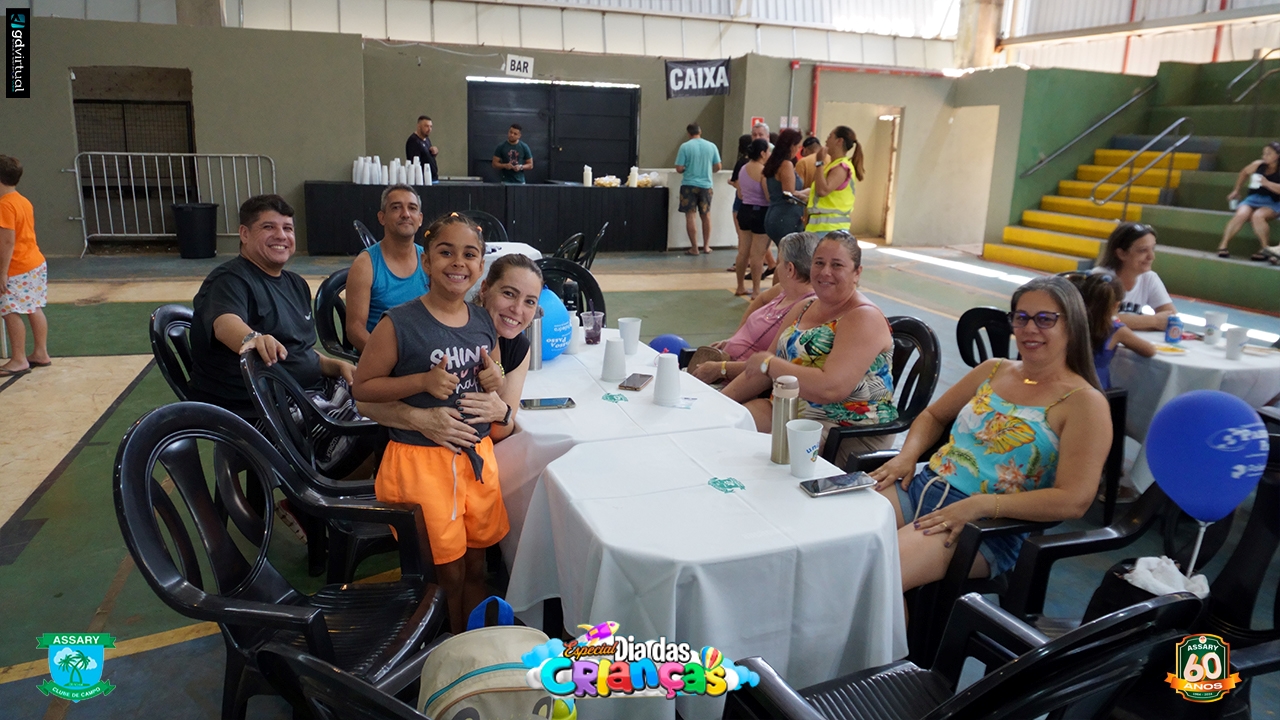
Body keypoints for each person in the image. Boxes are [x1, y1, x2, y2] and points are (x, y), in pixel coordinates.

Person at [869, 276, 1111, 592]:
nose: (1030, 328)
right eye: (1021, 318)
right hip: (921, 486)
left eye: (1045, 319)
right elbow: (933, 416)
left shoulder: (1084, 403)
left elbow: (1073, 500)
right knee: (835, 535)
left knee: (877, 573)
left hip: (984, 526)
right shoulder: (994, 370)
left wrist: (984, 505)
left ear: (1072, 324)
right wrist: (907, 456)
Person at [352, 212, 509, 634]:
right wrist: (421, 382)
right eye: (445, 252)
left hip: (476, 460)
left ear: (480, 267)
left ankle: (473, 645)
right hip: (422, 463)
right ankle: (448, 646)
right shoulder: (400, 323)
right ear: (426, 261)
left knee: (476, 565)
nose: (458, 262)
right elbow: (363, 388)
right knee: (447, 573)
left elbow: (491, 375)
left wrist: (496, 380)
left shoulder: (482, 321)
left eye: (469, 255)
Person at [721, 231, 897, 464]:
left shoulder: (863, 317)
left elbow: (830, 388)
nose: (825, 272)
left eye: (837, 265)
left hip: (843, 427)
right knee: (722, 429)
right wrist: (718, 403)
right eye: (819, 263)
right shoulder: (804, 306)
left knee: (750, 461)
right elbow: (761, 371)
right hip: (788, 409)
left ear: (857, 273)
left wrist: (771, 365)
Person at [188, 195, 355, 419]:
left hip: (309, 393)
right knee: (377, 429)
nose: (281, 235)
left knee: (385, 404)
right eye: (268, 227)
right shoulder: (230, 280)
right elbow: (225, 323)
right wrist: (252, 338)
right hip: (266, 409)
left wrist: (335, 365)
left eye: (288, 228)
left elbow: (297, 349)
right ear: (244, 234)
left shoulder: (296, 284)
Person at [690, 231, 819, 383]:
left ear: (790, 269)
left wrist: (720, 369)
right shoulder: (783, 290)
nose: (776, 268)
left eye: (779, 262)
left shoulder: (805, 308)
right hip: (727, 365)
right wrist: (734, 338)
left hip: (741, 378)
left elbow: (767, 365)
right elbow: (761, 299)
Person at [345, 184, 429, 352]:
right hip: (382, 356)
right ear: (382, 217)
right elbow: (355, 331)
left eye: (412, 208)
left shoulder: (428, 260)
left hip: (424, 352)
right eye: (396, 207)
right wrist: (391, 358)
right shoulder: (365, 265)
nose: (405, 214)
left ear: (420, 219)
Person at [0, 155, 51, 376]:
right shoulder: (22, 201)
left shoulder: (4, 205)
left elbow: (7, 242)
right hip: (34, 262)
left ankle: (19, 359)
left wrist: (2, 272)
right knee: (34, 307)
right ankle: (41, 352)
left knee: (10, 311)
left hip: (17, 267)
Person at [1067, 272, 1155, 389]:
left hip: (1066, 384)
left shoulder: (1071, 322)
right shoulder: (1116, 330)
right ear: (1116, 305)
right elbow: (1149, 350)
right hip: (1096, 388)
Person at [1091, 222, 1176, 331]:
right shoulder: (1100, 278)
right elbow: (1101, 320)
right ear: (1121, 254)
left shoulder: (1149, 278)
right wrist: (1154, 321)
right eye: (1143, 250)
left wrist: (1128, 321)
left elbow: (1172, 317)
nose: (1151, 256)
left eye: (1152, 249)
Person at [1217, 141, 1280, 262]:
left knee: (1258, 216)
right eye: (1264, 153)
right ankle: (1223, 245)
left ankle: (1264, 248)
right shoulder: (1258, 165)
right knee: (1241, 214)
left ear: (1277, 156)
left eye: (1268, 154)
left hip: (1272, 201)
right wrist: (1236, 190)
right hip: (1253, 198)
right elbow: (1244, 173)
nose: (1264, 156)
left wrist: (1267, 183)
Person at [674, 122, 722, 255]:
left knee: (690, 216)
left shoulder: (685, 147)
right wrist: (708, 171)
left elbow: (679, 168)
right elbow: (718, 167)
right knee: (706, 216)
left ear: (689, 133)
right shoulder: (711, 146)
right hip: (706, 186)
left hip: (688, 185)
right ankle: (706, 246)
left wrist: (686, 168)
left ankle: (694, 248)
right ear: (700, 132)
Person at [806, 126, 864, 234]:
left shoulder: (841, 167)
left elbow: (823, 190)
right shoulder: (832, 165)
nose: (826, 140)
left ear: (839, 141)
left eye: (830, 137)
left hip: (830, 229)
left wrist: (819, 162)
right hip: (821, 228)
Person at [733, 139, 772, 297]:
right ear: (762, 153)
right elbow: (768, 196)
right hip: (760, 212)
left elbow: (740, 194)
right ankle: (756, 290)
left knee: (743, 252)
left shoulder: (743, 168)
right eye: (768, 151)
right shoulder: (764, 172)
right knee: (757, 254)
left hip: (744, 210)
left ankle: (740, 286)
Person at [763, 129, 808, 245]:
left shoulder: (773, 163)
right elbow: (789, 193)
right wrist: (808, 192)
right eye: (798, 147)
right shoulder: (786, 165)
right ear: (792, 146)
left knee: (783, 252)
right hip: (786, 216)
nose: (798, 151)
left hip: (774, 213)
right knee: (790, 252)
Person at [405, 115, 439, 182]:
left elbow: (426, 157)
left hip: (432, 178)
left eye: (431, 126)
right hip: (423, 180)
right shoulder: (413, 141)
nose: (429, 129)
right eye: (426, 126)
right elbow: (415, 163)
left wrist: (434, 152)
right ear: (419, 126)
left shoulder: (426, 140)